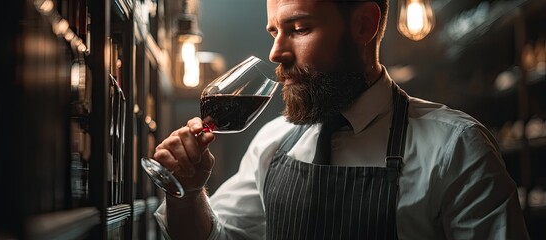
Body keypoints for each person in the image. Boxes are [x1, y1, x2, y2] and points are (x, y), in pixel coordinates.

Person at [153, 0, 530, 239]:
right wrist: (185, 195)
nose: (275, 52)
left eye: (299, 29)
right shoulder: (273, 141)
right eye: (274, 31)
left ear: (364, 26)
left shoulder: (457, 147)